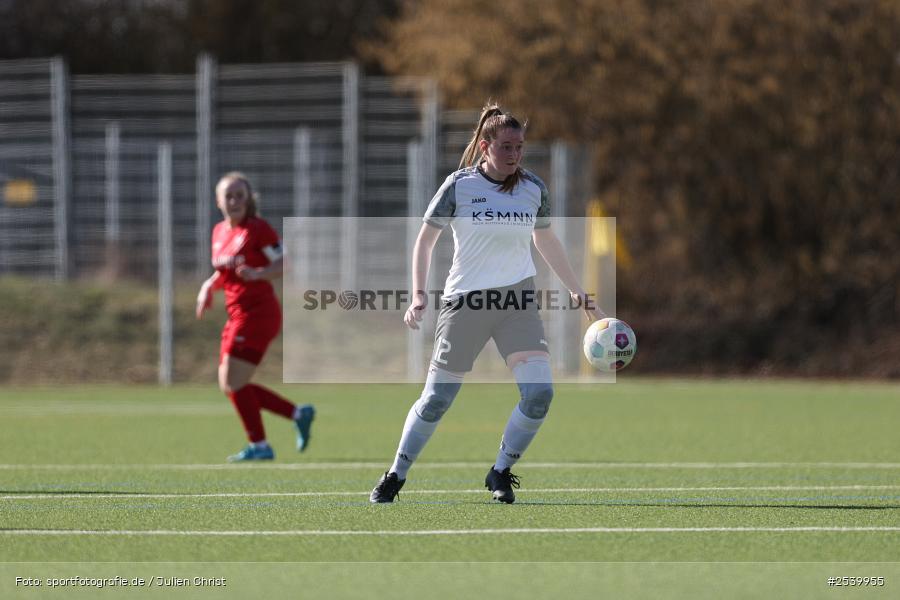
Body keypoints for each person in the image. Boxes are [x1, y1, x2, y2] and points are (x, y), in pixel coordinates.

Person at [370, 103, 602, 503]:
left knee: (540, 393)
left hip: (517, 304)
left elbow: (544, 239)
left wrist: (577, 291)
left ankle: (499, 471)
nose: (514, 154)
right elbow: (425, 241)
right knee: (437, 399)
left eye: (520, 147)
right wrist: (418, 294)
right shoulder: (459, 186)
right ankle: (396, 474)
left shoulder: (533, 189)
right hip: (465, 304)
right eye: (507, 146)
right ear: (484, 146)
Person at [196, 172, 315, 462]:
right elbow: (224, 271)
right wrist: (208, 286)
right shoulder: (219, 232)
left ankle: (261, 445)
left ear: (249, 199)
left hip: (258, 314)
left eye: (240, 195)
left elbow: (284, 263)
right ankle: (297, 414)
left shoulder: (258, 229)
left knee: (233, 383)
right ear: (218, 201)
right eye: (229, 195)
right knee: (231, 385)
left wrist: (259, 273)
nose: (234, 200)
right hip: (236, 314)